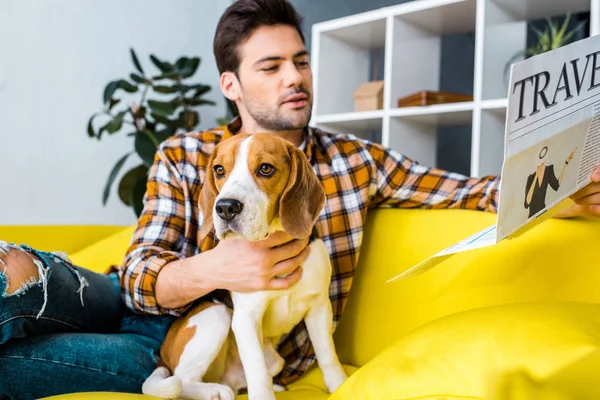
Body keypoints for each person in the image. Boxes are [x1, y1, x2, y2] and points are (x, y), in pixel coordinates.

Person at [1, 0, 599, 398]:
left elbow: (463, 190)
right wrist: (213, 266)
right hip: (120, 298)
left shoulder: (355, 160)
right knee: (14, 273)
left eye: (301, 61)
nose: (296, 77)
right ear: (231, 86)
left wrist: (561, 191)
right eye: (272, 66)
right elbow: (136, 275)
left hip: (158, 348)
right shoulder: (186, 153)